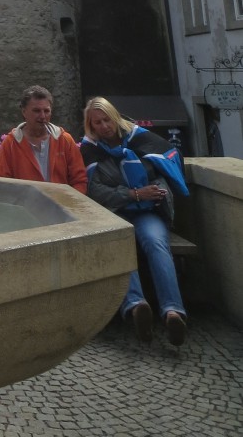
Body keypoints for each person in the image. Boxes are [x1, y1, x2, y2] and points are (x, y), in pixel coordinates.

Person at [81, 96, 189, 346]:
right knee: (120, 242)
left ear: (114, 117)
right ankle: (136, 306)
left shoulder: (141, 139)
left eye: (106, 119)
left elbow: (163, 174)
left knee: (156, 243)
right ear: (90, 125)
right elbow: (95, 191)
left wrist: (150, 194)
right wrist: (133, 194)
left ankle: (173, 312)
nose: (103, 126)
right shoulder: (90, 150)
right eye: (97, 122)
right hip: (115, 213)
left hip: (147, 212)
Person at [0, 85, 87, 192]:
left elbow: (79, 180)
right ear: (24, 112)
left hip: (61, 202)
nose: (42, 116)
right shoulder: (10, 144)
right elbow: (3, 184)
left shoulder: (64, 140)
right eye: (36, 111)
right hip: (25, 202)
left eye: (46, 111)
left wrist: (70, 201)